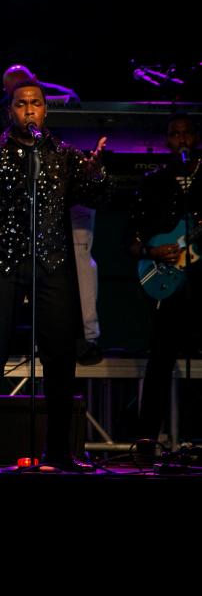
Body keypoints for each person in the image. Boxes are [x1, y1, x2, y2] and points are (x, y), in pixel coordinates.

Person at [0, 76, 107, 471]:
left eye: (35, 103)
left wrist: (94, 175)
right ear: (10, 111)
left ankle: (59, 451)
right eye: (21, 104)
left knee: (59, 356)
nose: (29, 110)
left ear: (45, 109)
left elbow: (98, 198)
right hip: (3, 262)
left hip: (52, 262)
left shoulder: (64, 154)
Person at [2, 64, 101, 360]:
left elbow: (72, 98)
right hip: (33, 204)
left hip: (68, 188)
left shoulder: (56, 111)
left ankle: (89, 336)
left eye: (33, 97)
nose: (28, 107)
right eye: (14, 93)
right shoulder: (9, 115)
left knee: (80, 254)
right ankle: (25, 337)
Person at [128, 114, 200, 451]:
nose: (182, 140)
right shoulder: (153, 182)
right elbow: (132, 241)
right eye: (175, 134)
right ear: (166, 140)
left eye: (187, 134)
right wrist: (153, 250)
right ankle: (145, 440)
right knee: (160, 359)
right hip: (168, 283)